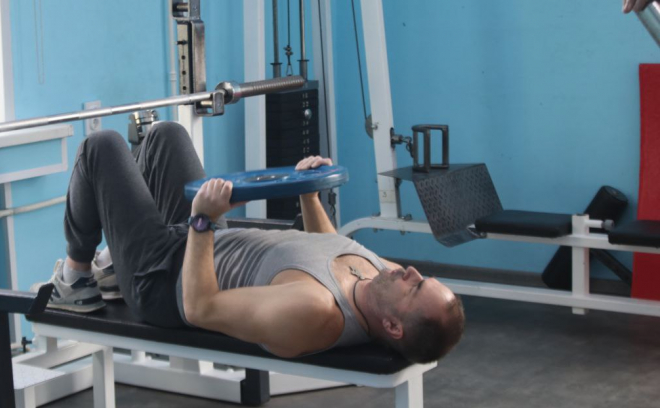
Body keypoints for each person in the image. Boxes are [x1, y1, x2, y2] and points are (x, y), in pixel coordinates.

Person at [35, 121, 465, 363]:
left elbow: (201, 308)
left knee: (102, 146)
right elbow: (329, 249)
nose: (412, 272)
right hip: (201, 243)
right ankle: (117, 262)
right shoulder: (383, 282)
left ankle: (76, 279)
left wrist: (202, 221)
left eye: (416, 288)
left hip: (164, 280)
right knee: (167, 135)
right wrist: (308, 192)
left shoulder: (316, 312)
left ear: (393, 327)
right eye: (423, 278)